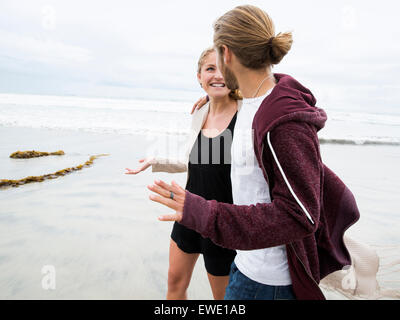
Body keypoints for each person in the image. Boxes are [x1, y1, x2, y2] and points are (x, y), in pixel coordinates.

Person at [147, 5, 360, 300]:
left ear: (227, 53)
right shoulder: (250, 103)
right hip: (245, 266)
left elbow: (301, 215)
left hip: (270, 284)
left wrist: (204, 212)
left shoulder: (283, 120)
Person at [126, 48, 242, 300]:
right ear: (199, 76)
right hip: (187, 211)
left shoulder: (247, 115)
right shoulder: (200, 112)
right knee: (174, 283)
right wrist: (155, 160)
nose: (218, 75)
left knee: (222, 298)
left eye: (225, 69)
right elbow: (200, 161)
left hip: (221, 221)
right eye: (210, 69)